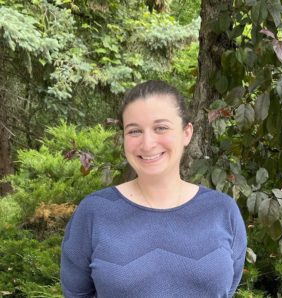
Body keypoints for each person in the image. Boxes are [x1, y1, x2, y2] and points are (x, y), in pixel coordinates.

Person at [60, 80, 247, 297]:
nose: (147, 143)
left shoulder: (222, 210)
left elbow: (228, 288)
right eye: (134, 131)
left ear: (186, 133)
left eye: (161, 128)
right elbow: (76, 293)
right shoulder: (94, 212)